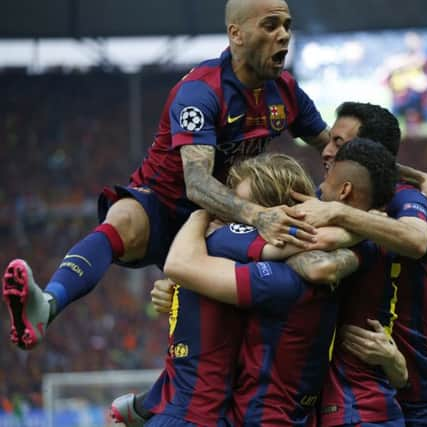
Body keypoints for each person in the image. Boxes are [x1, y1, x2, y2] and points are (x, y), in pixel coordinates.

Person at [2, 0, 329, 351]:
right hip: (164, 205)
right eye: (270, 26)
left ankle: (151, 403)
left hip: (220, 219)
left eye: (287, 25)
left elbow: (331, 146)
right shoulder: (201, 92)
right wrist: (259, 216)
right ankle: (46, 306)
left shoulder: (285, 91)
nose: (283, 35)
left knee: (224, 305)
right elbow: (198, 184)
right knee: (123, 220)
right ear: (236, 34)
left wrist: (375, 181)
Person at [118, 140, 403, 426]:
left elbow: (179, 265)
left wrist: (201, 213)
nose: (234, 213)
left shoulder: (266, 268)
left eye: (242, 207)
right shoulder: (362, 250)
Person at [292, 102, 427, 426]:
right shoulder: (327, 196)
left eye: (339, 143)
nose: (326, 150)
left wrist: (342, 215)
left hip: (418, 384)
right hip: (359, 385)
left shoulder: (406, 197)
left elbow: (416, 239)